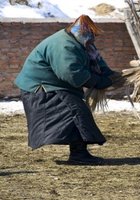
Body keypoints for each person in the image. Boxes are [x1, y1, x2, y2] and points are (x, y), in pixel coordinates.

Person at [14, 15, 125, 165]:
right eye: (91, 36)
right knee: (76, 113)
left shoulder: (84, 44)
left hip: (55, 86)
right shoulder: (65, 45)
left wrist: (112, 76)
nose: (93, 40)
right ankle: (79, 155)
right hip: (41, 87)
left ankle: (79, 154)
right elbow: (72, 74)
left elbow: (98, 63)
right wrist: (99, 82)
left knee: (78, 114)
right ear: (83, 33)